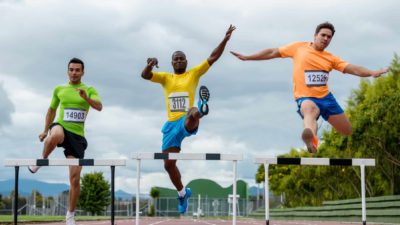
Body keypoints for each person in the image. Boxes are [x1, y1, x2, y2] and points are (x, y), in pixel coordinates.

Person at [231, 22, 388, 153]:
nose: (325, 39)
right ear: (315, 35)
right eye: (323, 35)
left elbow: (353, 68)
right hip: (306, 97)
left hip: (326, 98)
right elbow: (273, 52)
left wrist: (371, 72)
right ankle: (311, 140)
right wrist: (248, 57)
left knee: (347, 130)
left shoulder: (331, 58)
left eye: (329, 37)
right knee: (310, 110)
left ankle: (314, 130)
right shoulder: (299, 48)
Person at [141, 25, 236, 214]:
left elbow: (213, 57)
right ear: (172, 63)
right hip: (170, 126)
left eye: (181, 58)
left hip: (186, 119)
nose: (178, 61)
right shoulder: (165, 78)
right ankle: (183, 192)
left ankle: (201, 109)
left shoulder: (193, 74)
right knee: (168, 165)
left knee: (192, 113)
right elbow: (144, 75)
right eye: (175, 59)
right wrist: (150, 65)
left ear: (186, 61)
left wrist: (225, 39)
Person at [29, 58, 102, 225]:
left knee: (75, 179)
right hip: (61, 126)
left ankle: (70, 214)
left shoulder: (89, 89)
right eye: (71, 69)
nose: (74, 72)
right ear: (67, 71)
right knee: (54, 135)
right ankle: (43, 160)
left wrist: (86, 98)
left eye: (77, 70)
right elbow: (52, 110)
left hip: (77, 137)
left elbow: (99, 106)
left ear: (83, 72)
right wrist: (44, 129)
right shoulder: (59, 89)